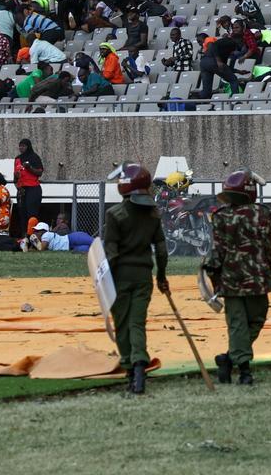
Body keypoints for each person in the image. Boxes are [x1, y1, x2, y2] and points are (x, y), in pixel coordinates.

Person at [202, 169, 271, 386]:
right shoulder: (263, 214)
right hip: (257, 278)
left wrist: (213, 275)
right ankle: (244, 371)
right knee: (253, 321)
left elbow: (217, 251)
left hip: (233, 279)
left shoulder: (222, 216)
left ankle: (229, 359)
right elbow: (270, 247)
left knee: (239, 325)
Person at [103, 162, 168, 395]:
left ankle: (131, 369)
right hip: (144, 277)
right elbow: (161, 250)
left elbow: (110, 253)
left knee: (122, 325)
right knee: (137, 323)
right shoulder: (153, 214)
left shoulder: (115, 214)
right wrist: (161, 277)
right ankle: (141, 365)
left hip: (120, 276)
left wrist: (104, 284)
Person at [194, 29, 241, 98]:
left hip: (204, 63)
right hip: (212, 61)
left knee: (206, 91)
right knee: (233, 80)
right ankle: (236, 100)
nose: (199, 43)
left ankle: (194, 102)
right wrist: (218, 61)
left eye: (199, 41)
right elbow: (213, 46)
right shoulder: (230, 41)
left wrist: (239, 71)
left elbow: (225, 66)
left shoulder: (223, 49)